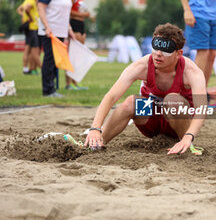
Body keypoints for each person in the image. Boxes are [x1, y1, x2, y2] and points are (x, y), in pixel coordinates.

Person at [85, 23, 208, 155]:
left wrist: (188, 137)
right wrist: (95, 128)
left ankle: (183, 143)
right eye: (156, 47)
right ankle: (96, 143)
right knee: (130, 102)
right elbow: (111, 96)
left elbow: (201, 109)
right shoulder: (142, 66)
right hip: (151, 121)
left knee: (173, 100)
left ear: (179, 53)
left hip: (179, 124)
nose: (158, 54)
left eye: (166, 50)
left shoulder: (192, 72)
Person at [178, 0, 216, 106]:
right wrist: (186, 10)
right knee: (203, 53)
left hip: (215, 16)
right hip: (198, 14)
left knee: (212, 54)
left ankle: (202, 92)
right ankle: (191, 94)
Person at [38, 0, 75, 98]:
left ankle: (52, 88)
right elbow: (41, 8)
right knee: (49, 60)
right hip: (50, 32)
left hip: (61, 31)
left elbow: (64, 13)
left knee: (55, 61)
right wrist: (47, 27)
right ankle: (47, 90)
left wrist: (69, 29)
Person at [66, 0, 90, 90]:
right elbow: (67, 10)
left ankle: (75, 81)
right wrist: (83, 14)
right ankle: (68, 83)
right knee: (72, 55)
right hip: (74, 24)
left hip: (81, 24)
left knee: (79, 55)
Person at [16, 0, 41, 75]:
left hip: (30, 28)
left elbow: (19, 9)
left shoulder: (28, 0)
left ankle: (27, 69)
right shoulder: (30, 0)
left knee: (28, 49)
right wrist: (30, 18)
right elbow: (26, 9)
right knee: (33, 50)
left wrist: (23, 16)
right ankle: (40, 68)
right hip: (31, 28)